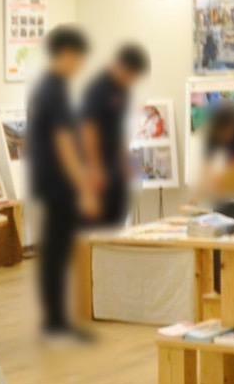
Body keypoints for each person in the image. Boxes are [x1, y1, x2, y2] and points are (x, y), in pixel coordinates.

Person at [26, 25, 96, 341]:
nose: (81, 65)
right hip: (58, 184)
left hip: (48, 181)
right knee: (57, 250)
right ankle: (56, 321)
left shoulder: (47, 88)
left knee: (55, 249)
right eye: (80, 58)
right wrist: (82, 185)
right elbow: (64, 142)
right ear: (67, 54)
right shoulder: (54, 90)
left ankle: (56, 319)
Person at [80, 43, 149, 228]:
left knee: (118, 213)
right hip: (96, 162)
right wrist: (94, 167)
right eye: (132, 75)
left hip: (114, 162)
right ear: (122, 66)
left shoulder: (124, 90)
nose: (132, 80)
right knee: (97, 220)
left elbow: (120, 128)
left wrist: (125, 159)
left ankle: (116, 251)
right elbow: (89, 128)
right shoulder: (97, 88)